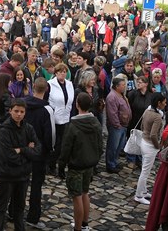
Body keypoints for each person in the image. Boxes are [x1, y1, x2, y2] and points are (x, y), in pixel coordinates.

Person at [0, 99, 41, 231]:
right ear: (10, 111)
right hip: (7, 175)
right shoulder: (4, 130)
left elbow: (37, 150)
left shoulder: (28, 128)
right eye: (16, 111)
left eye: (22, 112)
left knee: (19, 209)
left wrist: (22, 150)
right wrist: (27, 153)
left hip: (23, 176)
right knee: (2, 207)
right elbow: (8, 156)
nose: (19, 114)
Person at [59, 93, 103, 231]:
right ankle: (84, 224)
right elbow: (100, 145)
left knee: (77, 197)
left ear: (77, 104)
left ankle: (77, 228)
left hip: (76, 165)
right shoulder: (95, 123)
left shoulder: (73, 125)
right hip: (89, 164)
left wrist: (61, 165)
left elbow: (66, 148)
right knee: (85, 193)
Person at [22, 77, 54, 229]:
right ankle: (33, 217)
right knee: (36, 185)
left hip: (23, 150)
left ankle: (13, 211)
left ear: (33, 87)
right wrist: (49, 150)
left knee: (19, 182)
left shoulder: (23, 105)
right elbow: (50, 134)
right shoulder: (47, 110)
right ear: (46, 90)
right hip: (39, 152)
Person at [134, 93, 166, 205]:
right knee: (145, 172)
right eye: (164, 102)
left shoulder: (147, 111)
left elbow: (142, 126)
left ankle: (143, 191)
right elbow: (153, 134)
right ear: (159, 103)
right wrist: (158, 147)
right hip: (150, 146)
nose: (165, 104)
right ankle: (138, 195)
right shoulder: (157, 116)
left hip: (144, 141)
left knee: (144, 169)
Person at [47, 63, 75, 178]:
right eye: (60, 71)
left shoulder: (69, 84)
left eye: (64, 72)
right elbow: (48, 100)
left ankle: (60, 166)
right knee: (56, 144)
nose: (62, 73)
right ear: (56, 73)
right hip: (55, 118)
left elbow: (71, 100)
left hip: (66, 117)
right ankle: (51, 165)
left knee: (64, 144)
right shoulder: (50, 84)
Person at [105, 77, 132, 174]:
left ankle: (115, 162)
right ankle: (110, 164)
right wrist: (117, 125)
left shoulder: (120, 94)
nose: (124, 86)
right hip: (117, 126)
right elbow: (112, 113)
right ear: (117, 86)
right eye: (123, 85)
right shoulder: (112, 97)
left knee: (119, 146)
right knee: (113, 146)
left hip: (123, 125)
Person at [126, 76, 153, 169]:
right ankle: (131, 159)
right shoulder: (133, 94)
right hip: (134, 120)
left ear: (146, 84)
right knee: (132, 140)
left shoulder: (150, 95)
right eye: (138, 82)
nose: (138, 84)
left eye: (141, 82)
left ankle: (139, 159)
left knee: (142, 141)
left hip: (145, 122)